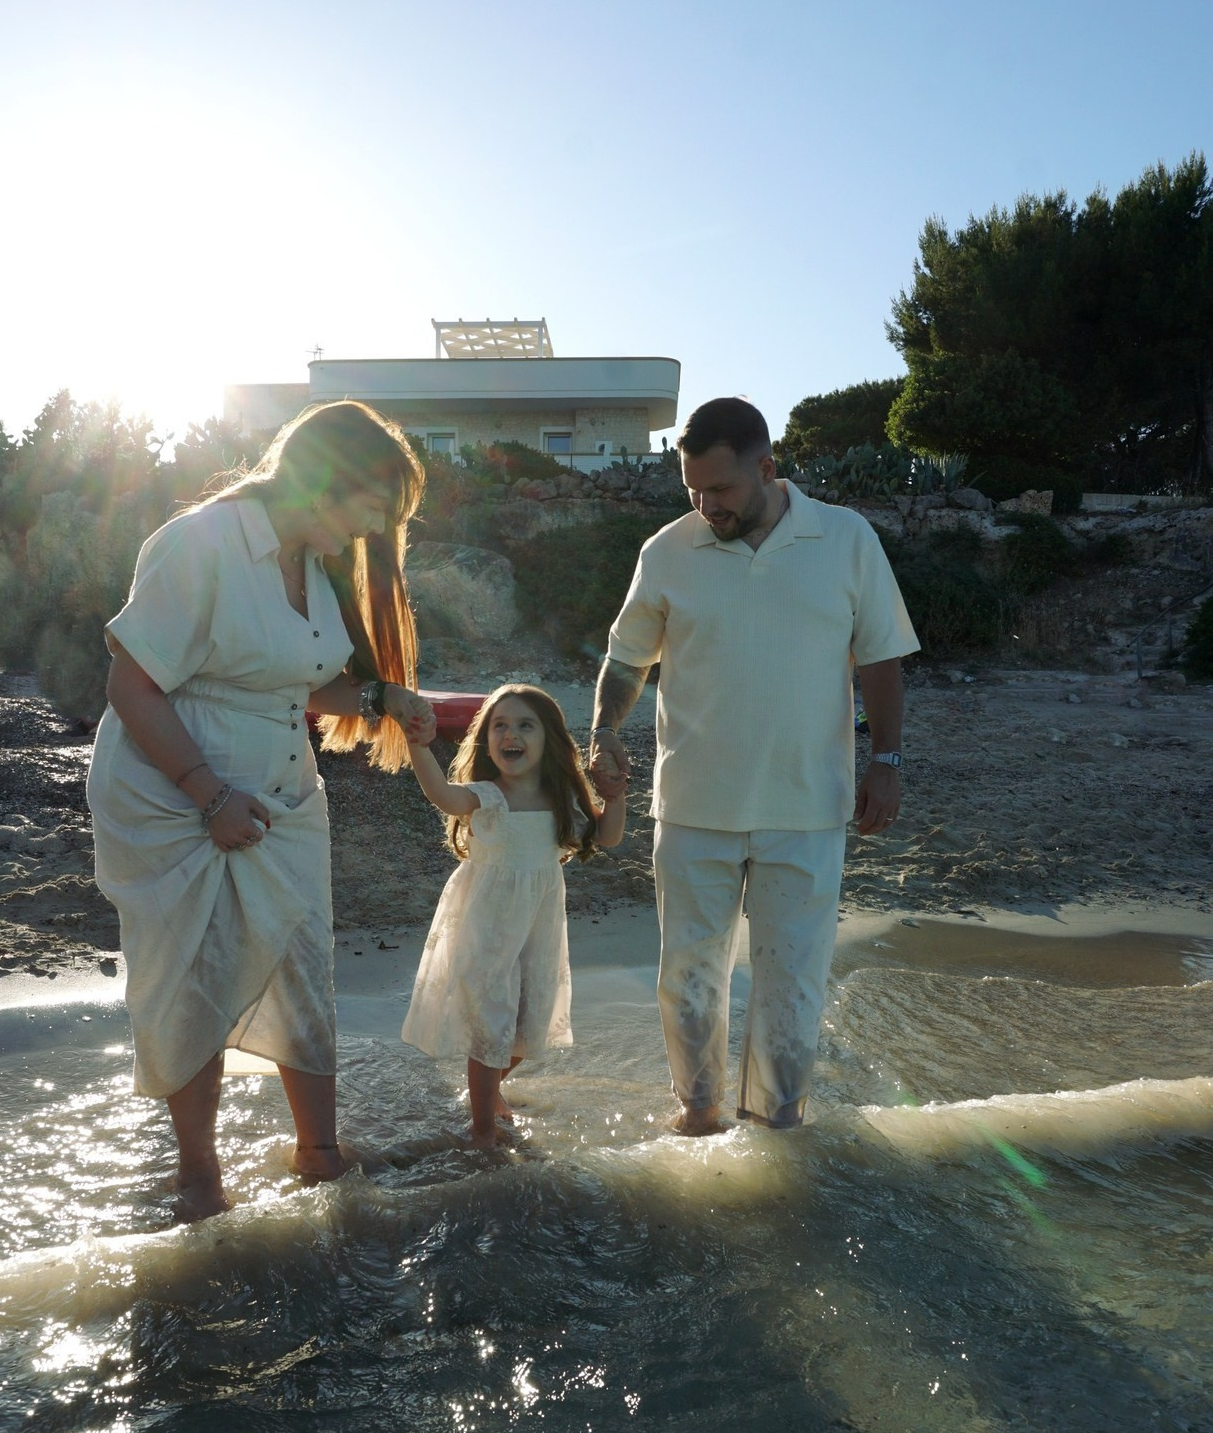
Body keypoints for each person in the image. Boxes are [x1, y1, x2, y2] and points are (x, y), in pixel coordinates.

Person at [87, 400, 438, 1220]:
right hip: (180, 791)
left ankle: (321, 1155)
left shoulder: (311, 563)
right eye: (372, 506)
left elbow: (291, 679)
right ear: (326, 482)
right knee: (196, 977)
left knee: (304, 964)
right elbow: (131, 686)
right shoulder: (199, 542)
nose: (374, 528)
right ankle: (199, 1174)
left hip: (287, 794)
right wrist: (209, 796)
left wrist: (383, 695)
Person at [588, 396, 919, 1135]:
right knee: (690, 983)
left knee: (792, 987)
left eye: (722, 489)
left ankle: (779, 1134)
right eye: (693, 491)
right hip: (693, 805)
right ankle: (699, 1119)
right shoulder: (666, 551)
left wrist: (885, 759)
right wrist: (604, 727)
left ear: (767, 468)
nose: (707, 505)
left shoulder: (846, 538)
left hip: (808, 807)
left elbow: (881, 656)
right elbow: (625, 657)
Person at [399, 685, 626, 1146]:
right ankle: (482, 1131)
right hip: (486, 928)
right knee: (491, 1024)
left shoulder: (559, 799)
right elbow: (442, 794)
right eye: (500, 725)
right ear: (487, 740)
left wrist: (615, 797)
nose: (511, 734)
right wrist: (418, 746)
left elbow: (608, 838)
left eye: (525, 725)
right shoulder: (488, 796)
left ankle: (487, 1092)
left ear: (550, 740)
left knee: (529, 1024)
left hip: (536, 932)